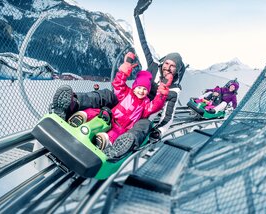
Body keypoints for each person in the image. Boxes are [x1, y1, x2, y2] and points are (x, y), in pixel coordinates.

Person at [51, 0, 185, 157]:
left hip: (141, 114)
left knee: (145, 125)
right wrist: (138, 14)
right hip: (126, 102)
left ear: (177, 70)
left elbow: (167, 115)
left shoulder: (174, 89)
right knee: (108, 94)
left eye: (173, 66)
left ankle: (123, 144)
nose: (168, 68)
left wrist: (159, 131)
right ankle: (72, 104)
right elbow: (141, 42)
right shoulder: (152, 66)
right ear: (163, 62)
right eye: (167, 63)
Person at [65, 52, 172, 157]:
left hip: (121, 127)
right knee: (94, 114)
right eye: (139, 87)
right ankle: (80, 117)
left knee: (114, 134)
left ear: (148, 92)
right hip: (109, 116)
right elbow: (118, 84)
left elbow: (156, 105)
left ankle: (102, 141)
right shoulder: (126, 93)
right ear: (134, 87)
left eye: (144, 89)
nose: (141, 91)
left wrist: (161, 93)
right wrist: (123, 72)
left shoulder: (145, 104)